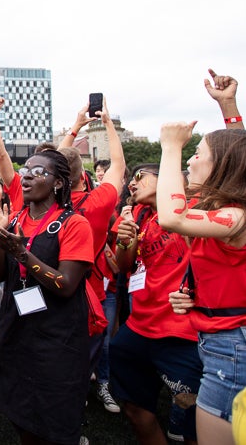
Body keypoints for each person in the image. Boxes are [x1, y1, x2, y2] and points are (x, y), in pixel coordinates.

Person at [158, 68, 245, 445]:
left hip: (233, 350)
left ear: (220, 168)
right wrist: (228, 107)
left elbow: (171, 216)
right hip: (220, 341)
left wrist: (171, 146)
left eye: (197, 155)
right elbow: (240, 152)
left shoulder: (237, 215)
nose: (190, 162)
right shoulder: (225, 207)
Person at [0, 148, 93, 444]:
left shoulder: (74, 224)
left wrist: (22, 253)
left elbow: (66, 284)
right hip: (17, 335)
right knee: (21, 415)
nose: (27, 177)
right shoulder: (17, 218)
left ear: (58, 183)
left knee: (54, 423)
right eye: (25, 172)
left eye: (37, 172)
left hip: (57, 343)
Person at [112, 164, 201, 444]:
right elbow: (123, 266)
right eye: (131, 180)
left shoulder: (191, 208)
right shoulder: (138, 215)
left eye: (141, 177)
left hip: (182, 331)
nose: (133, 184)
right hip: (138, 327)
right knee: (134, 407)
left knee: (196, 420)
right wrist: (126, 240)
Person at [59, 101, 126, 414]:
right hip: (92, 293)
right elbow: (118, 166)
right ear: (81, 175)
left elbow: (53, 161)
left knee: (58, 365)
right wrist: (108, 124)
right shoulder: (99, 202)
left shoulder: (47, 202)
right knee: (83, 361)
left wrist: (75, 128)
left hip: (53, 287)